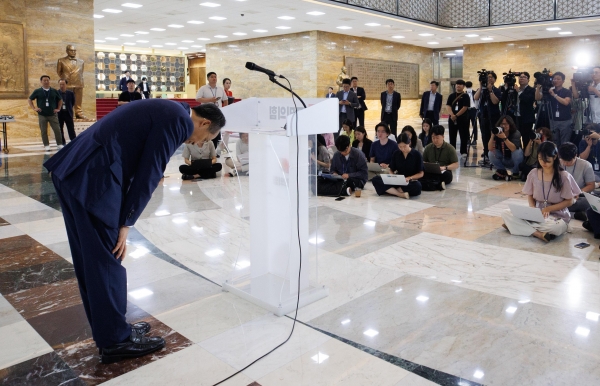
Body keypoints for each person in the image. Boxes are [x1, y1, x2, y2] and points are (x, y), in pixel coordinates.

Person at [44, 101, 226, 364]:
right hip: (93, 178)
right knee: (107, 260)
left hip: (77, 169)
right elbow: (150, 172)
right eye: (207, 138)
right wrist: (126, 223)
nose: (200, 143)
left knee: (93, 260)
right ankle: (115, 341)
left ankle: (111, 328)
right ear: (204, 123)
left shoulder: (171, 109)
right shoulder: (179, 120)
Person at [501, 142, 579, 242]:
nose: (543, 163)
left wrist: (550, 208)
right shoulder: (533, 173)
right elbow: (530, 195)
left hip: (557, 217)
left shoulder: (564, 176)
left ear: (555, 157)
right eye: (540, 159)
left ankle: (517, 227)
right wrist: (533, 208)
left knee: (556, 227)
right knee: (505, 213)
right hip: (537, 215)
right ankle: (538, 234)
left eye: (547, 160)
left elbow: (570, 201)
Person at [371, 133, 423, 199]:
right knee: (376, 179)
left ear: (409, 143)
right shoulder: (396, 153)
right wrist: (392, 176)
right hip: (398, 180)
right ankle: (399, 194)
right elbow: (391, 169)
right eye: (400, 147)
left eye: (404, 146)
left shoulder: (416, 155)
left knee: (417, 186)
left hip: (409, 181)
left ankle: (390, 191)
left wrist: (410, 178)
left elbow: (421, 173)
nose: (402, 149)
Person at [558, 142, 595, 221]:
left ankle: (563, 211)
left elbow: (591, 185)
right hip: (561, 196)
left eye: (569, 161)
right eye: (564, 161)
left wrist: (578, 192)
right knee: (547, 202)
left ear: (576, 155)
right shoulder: (557, 163)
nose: (566, 163)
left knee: (590, 203)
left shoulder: (586, 165)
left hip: (578, 197)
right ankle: (574, 215)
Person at [27, 75, 63, 151]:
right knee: (44, 131)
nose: (46, 82)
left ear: (49, 81)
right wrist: (34, 108)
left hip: (53, 114)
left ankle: (59, 144)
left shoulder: (54, 91)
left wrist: (58, 108)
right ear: (41, 81)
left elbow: (60, 100)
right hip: (42, 114)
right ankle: (46, 145)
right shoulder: (37, 91)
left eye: (47, 80)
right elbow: (30, 99)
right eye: (44, 80)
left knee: (57, 130)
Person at [536, 71, 572, 147]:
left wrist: (554, 95)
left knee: (564, 143)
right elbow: (537, 98)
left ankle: (563, 158)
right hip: (553, 120)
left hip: (565, 121)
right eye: (554, 79)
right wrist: (538, 88)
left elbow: (566, 102)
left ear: (563, 81)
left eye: (558, 79)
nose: (555, 80)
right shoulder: (549, 91)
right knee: (554, 142)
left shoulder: (567, 91)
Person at [196, 72, 229, 151]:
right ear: (208, 79)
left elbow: (225, 99)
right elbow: (197, 98)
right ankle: (205, 150)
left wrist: (226, 109)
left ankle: (214, 151)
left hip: (218, 113)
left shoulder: (220, 88)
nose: (214, 78)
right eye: (212, 77)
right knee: (208, 131)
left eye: (215, 77)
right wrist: (210, 100)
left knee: (217, 131)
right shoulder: (203, 88)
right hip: (207, 113)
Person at [420, 125, 459, 190]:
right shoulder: (428, 148)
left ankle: (431, 184)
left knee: (447, 175)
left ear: (443, 137)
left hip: (443, 172)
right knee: (422, 174)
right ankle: (438, 185)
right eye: (433, 138)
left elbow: (456, 165)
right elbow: (423, 161)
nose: (435, 140)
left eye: (437, 138)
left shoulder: (450, 148)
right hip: (431, 172)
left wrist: (445, 167)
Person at [474, 71, 502, 162]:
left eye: (491, 77)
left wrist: (490, 91)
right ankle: (486, 153)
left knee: (494, 135)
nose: (489, 79)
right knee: (484, 134)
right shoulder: (482, 89)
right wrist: (481, 87)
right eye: (487, 77)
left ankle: (494, 154)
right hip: (483, 115)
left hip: (494, 115)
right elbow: (476, 97)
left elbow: (495, 101)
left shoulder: (497, 90)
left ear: (494, 79)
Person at [488, 116, 524, 180]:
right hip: (504, 158)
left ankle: (516, 172)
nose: (504, 126)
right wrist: (492, 135)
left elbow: (513, 149)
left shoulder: (516, 133)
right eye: (502, 124)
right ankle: (502, 171)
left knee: (517, 151)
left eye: (506, 124)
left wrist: (504, 138)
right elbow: (490, 148)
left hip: (514, 160)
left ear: (510, 124)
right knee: (490, 153)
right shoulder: (498, 133)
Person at [509, 72, 536, 149]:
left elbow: (528, 100)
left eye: (524, 77)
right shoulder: (515, 89)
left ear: (528, 79)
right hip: (516, 117)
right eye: (520, 77)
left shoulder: (531, 90)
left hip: (526, 118)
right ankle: (519, 154)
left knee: (526, 138)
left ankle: (526, 156)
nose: (521, 78)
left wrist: (519, 92)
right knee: (515, 137)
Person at [446, 79, 471, 157]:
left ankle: (463, 151)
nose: (458, 85)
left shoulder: (465, 96)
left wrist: (456, 115)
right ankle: (452, 151)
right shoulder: (451, 95)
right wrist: (452, 115)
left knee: (463, 135)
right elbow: (448, 106)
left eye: (460, 84)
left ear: (463, 86)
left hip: (463, 119)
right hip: (452, 119)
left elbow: (465, 107)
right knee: (452, 135)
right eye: (457, 84)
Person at [57, 79, 76, 144]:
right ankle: (62, 142)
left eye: (63, 84)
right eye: (60, 84)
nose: (62, 86)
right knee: (60, 129)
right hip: (60, 113)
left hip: (68, 113)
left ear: (66, 85)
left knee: (71, 128)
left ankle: (73, 141)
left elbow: (73, 102)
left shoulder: (70, 93)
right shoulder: (56, 93)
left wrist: (69, 108)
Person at [465, 81, 479, 145]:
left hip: (473, 109)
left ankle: (475, 139)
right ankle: (467, 139)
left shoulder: (474, 92)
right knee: (466, 125)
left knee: (474, 125)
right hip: (466, 110)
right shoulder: (464, 93)